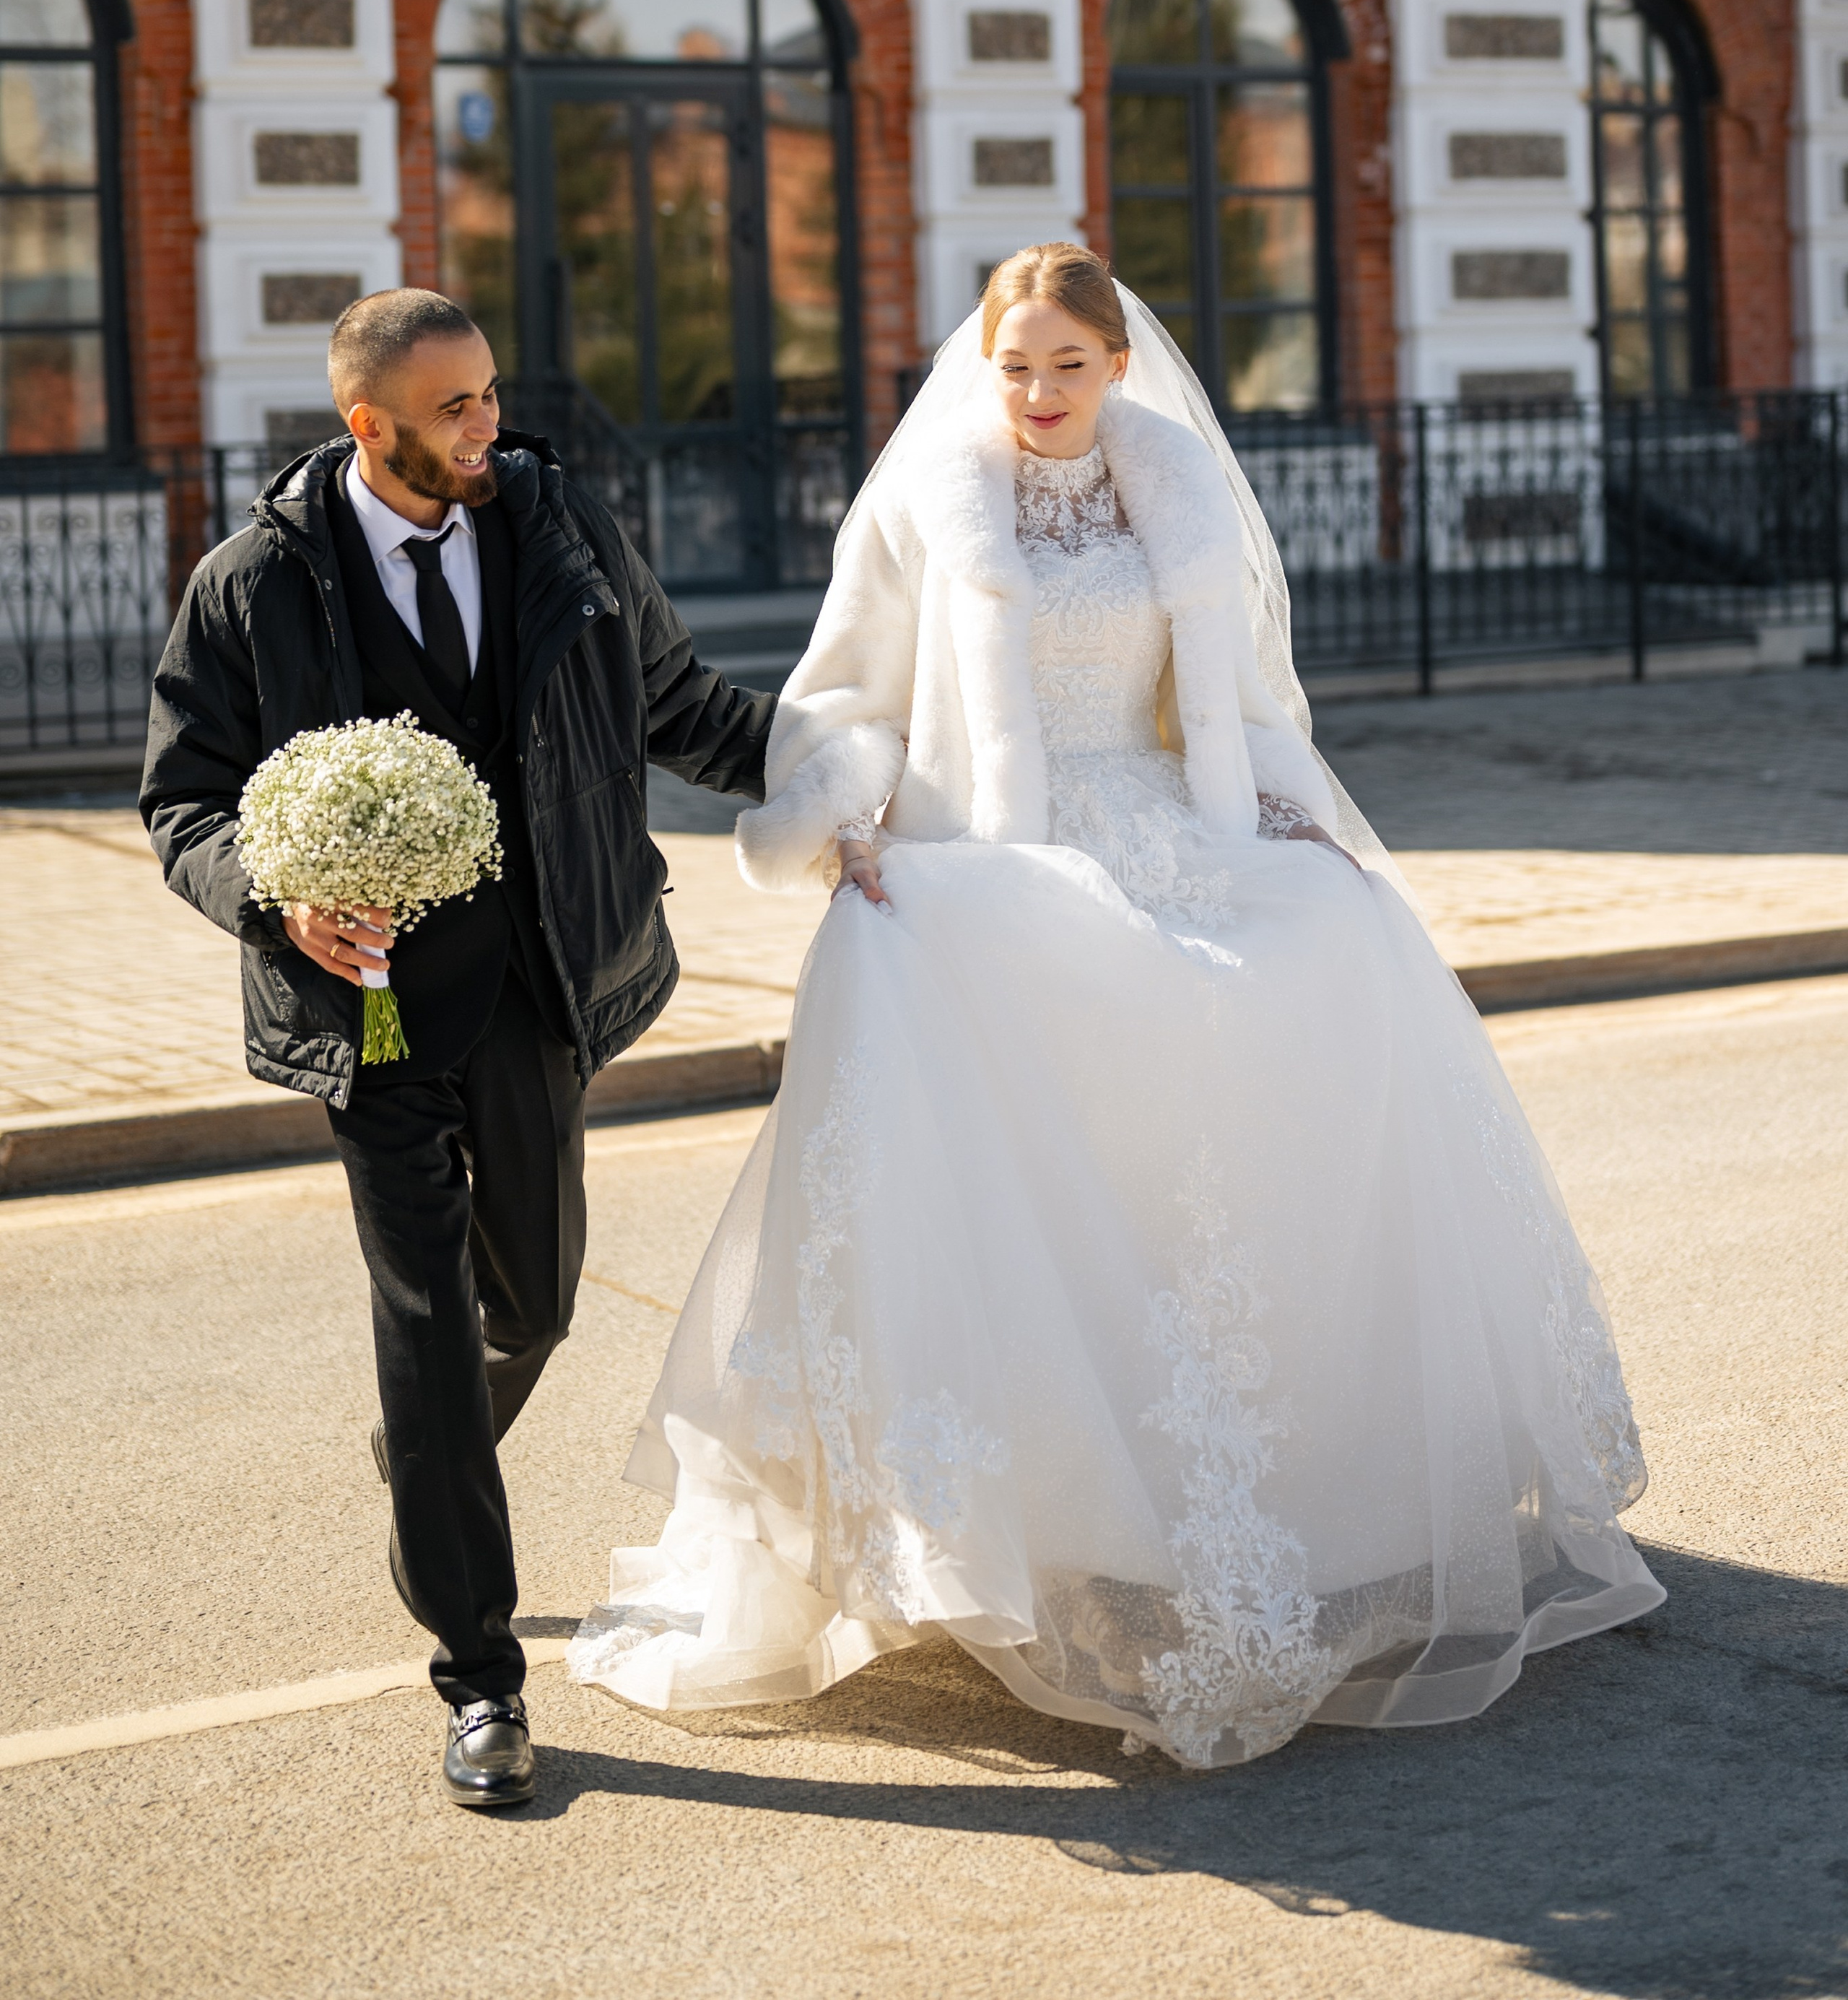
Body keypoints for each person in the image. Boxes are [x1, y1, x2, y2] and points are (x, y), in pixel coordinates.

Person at [570, 243, 1662, 1769]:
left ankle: (1284, 1500)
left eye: (1065, 365)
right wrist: (845, 818)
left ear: (1117, 363)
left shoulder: (1182, 486)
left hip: (1170, 832)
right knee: (1029, 1147)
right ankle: (1043, 1518)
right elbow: (846, 697)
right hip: (999, 855)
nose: (1035, 392)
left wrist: (1290, 814)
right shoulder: (928, 494)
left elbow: (1246, 697)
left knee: (1310, 1007)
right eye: (1013, 365)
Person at [141, 290, 774, 1808]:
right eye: (455, 408)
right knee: (425, 1321)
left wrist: (864, 772)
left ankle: (424, 1449)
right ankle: (480, 1676)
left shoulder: (561, 530)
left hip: (538, 988)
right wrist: (277, 897)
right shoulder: (251, 584)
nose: (489, 425)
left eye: (490, 393)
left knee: (533, 1304)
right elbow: (182, 800)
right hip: (366, 1015)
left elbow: (679, 704)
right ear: (369, 426)